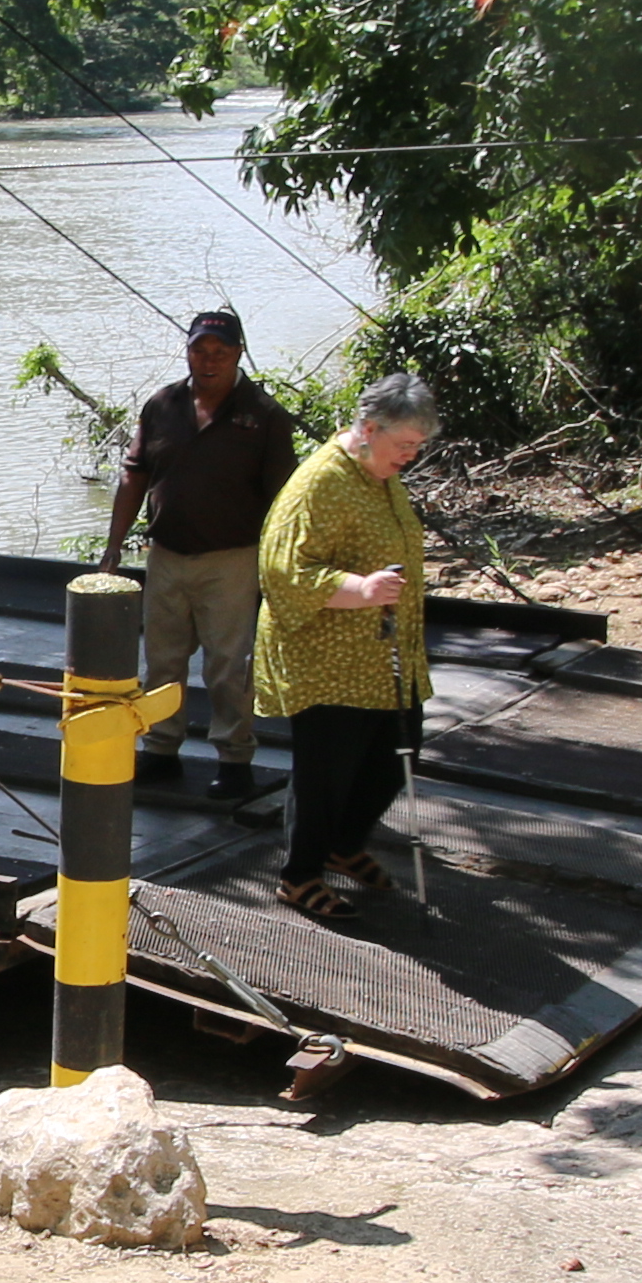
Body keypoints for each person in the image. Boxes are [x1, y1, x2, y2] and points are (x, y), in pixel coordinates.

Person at [253, 373, 438, 917]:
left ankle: (343, 844)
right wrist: (358, 588)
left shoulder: (380, 473)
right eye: (404, 445)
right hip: (326, 658)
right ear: (369, 429)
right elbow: (282, 570)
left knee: (395, 754)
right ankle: (299, 873)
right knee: (326, 771)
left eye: (417, 448)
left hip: (382, 655)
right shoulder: (321, 482)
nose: (410, 456)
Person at [102, 309, 302, 803]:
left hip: (232, 558)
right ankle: (162, 749)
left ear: (238, 354)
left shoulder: (266, 416)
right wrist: (112, 549)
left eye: (220, 352)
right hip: (167, 554)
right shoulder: (162, 404)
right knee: (163, 660)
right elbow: (134, 475)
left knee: (228, 666)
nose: (208, 361)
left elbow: (285, 499)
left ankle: (235, 758)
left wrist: (281, 566)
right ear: (187, 351)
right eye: (199, 350)